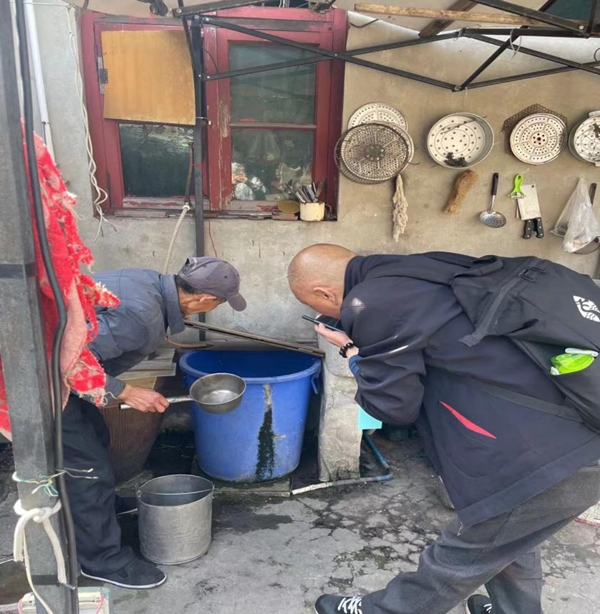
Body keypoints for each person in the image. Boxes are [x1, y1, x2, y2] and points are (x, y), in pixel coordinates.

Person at [288, 244, 600, 614]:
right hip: (568, 431)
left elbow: (392, 407)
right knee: (508, 537)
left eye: (318, 306)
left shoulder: (369, 302)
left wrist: (354, 356)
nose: (324, 314)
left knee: (460, 558)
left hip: (552, 457)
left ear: (326, 293)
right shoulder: (421, 268)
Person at [65, 257, 246, 589]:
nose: (215, 308)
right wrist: (126, 392)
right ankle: (102, 561)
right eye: (220, 303)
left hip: (65, 379)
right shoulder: (140, 316)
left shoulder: (147, 281)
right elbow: (68, 359)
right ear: (205, 298)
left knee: (96, 438)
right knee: (86, 469)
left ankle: (101, 509)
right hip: (40, 380)